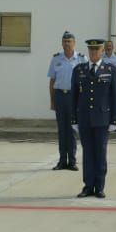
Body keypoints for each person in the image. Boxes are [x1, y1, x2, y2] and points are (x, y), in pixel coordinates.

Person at [72, 38, 116, 197]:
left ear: (102, 52)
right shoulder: (79, 70)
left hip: (102, 119)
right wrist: (74, 119)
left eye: (97, 50)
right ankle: (88, 186)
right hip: (85, 119)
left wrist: (115, 119)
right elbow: (74, 96)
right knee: (87, 153)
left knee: (100, 153)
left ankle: (99, 186)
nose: (93, 52)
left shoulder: (110, 69)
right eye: (91, 50)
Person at [46, 32, 85, 171]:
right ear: (62, 43)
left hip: (74, 97)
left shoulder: (81, 59)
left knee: (73, 129)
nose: (67, 44)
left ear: (74, 43)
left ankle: (72, 161)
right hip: (60, 96)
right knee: (62, 130)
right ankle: (62, 160)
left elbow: (85, 81)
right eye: (64, 41)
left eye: (69, 41)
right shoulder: (56, 59)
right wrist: (52, 100)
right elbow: (52, 81)